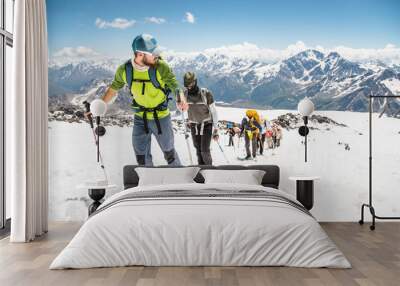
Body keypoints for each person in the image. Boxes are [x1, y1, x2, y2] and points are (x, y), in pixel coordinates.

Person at [86, 34, 186, 166]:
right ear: (139, 55)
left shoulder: (161, 66)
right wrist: (99, 107)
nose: (156, 56)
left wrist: (181, 98)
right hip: (140, 118)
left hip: (161, 117)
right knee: (141, 157)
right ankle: (148, 180)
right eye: (152, 53)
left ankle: (179, 178)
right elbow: (113, 89)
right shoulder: (125, 70)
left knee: (169, 153)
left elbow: (174, 85)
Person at [180, 72, 219, 165]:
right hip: (194, 125)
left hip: (206, 125)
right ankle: (201, 170)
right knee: (198, 150)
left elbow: (213, 111)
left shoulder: (205, 93)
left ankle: (210, 170)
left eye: (191, 84)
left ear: (195, 82)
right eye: (187, 85)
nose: (189, 87)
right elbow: (182, 109)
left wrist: (216, 128)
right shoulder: (184, 95)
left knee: (204, 151)